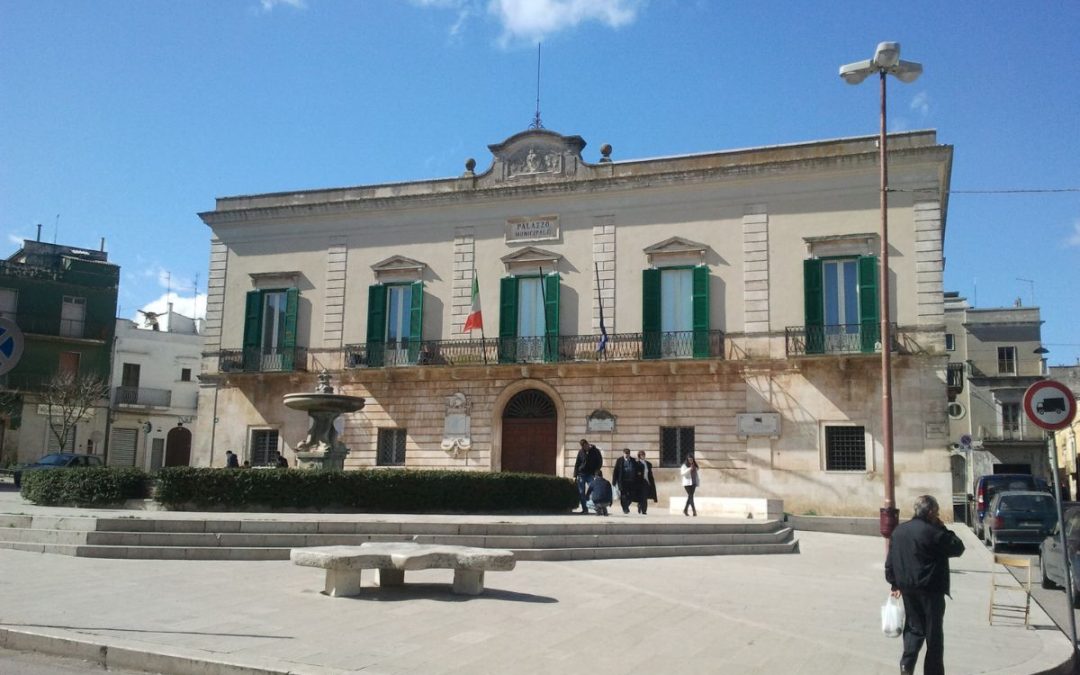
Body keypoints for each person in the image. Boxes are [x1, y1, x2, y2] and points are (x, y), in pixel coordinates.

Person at [885, 494, 965, 675]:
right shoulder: (934, 532)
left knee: (913, 629)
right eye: (936, 513)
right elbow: (958, 548)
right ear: (930, 512)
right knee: (933, 635)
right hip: (931, 591)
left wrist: (894, 584)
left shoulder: (899, 531)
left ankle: (906, 666)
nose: (937, 516)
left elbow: (890, 562)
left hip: (908, 589)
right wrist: (943, 528)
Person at [573, 439, 603, 514]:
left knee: (594, 490)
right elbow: (577, 464)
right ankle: (584, 509)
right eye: (583, 447)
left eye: (586, 446)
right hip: (581, 474)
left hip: (591, 474)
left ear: (588, 444)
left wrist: (596, 472)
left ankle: (598, 507)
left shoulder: (595, 451)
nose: (585, 447)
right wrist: (575, 475)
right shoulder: (580, 452)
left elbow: (600, 462)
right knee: (581, 492)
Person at [612, 448, 640, 514]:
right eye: (625, 454)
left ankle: (626, 506)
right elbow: (615, 471)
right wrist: (614, 480)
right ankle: (625, 508)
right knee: (623, 495)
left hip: (631, 481)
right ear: (623, 453)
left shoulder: (633, 460)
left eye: (628, 454)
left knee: (632, 495)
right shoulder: (619, 460)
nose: (626, 455)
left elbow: (637, 469)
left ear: (629, 454)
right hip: (622, 481)